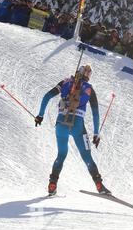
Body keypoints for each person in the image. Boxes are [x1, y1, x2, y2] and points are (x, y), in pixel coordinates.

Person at [35, 65, 111, 196]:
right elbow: (95, 114)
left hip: (61, 124)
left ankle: (52, 184)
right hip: (77, 125)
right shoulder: (89, 89)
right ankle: (99, 185)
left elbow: (46, 96)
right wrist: (96, 134)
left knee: (61, 155)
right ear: (88, 76)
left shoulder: (65, 82)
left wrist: (40, 115)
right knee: (86, 156)